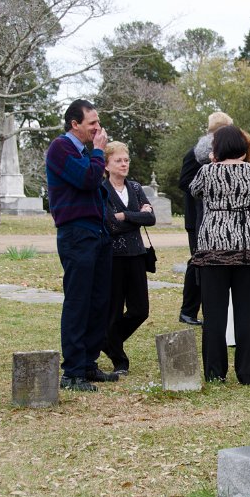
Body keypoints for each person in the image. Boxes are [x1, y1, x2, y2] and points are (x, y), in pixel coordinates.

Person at [46, 99, 118, 392]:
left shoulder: (85, 152)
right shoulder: (60, 148)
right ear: (75, 124)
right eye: (92, 123)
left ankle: (89, 363)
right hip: (76, 234)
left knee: (99, 301)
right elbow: (88, 179)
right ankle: (72, 371)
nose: (98, 128)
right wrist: (99, 152)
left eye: (98, 123)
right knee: (78, 301)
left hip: (97, 234)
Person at [189, 125, 250, 384]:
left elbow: (194, 190)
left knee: (214, 313)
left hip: (214, 244)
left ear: (218, 148)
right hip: (248, 244)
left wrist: (213, 163)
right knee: (247, 312)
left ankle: (215, 371)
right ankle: (247, 373)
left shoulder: (207, 172)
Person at [101, 141, 156, 375]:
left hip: (136, 254)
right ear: (106, 165)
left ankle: (106, 340)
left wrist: (124, 215)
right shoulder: (102, 189)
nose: (124, 164)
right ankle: (119, 359)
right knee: (113, 310)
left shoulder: (134, 188)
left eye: (126, 160)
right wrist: (135, 217)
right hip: (113, 257)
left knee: (140, 310)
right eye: (118, 161)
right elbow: (109, 224)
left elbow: (151, 218)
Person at [178, 111, 234, 326]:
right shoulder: (195, 153)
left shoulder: (224, 152)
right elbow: (185, 182)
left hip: (214, 215)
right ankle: (188, 310)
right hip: (197, 217)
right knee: (197, 262)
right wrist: (207, 187)